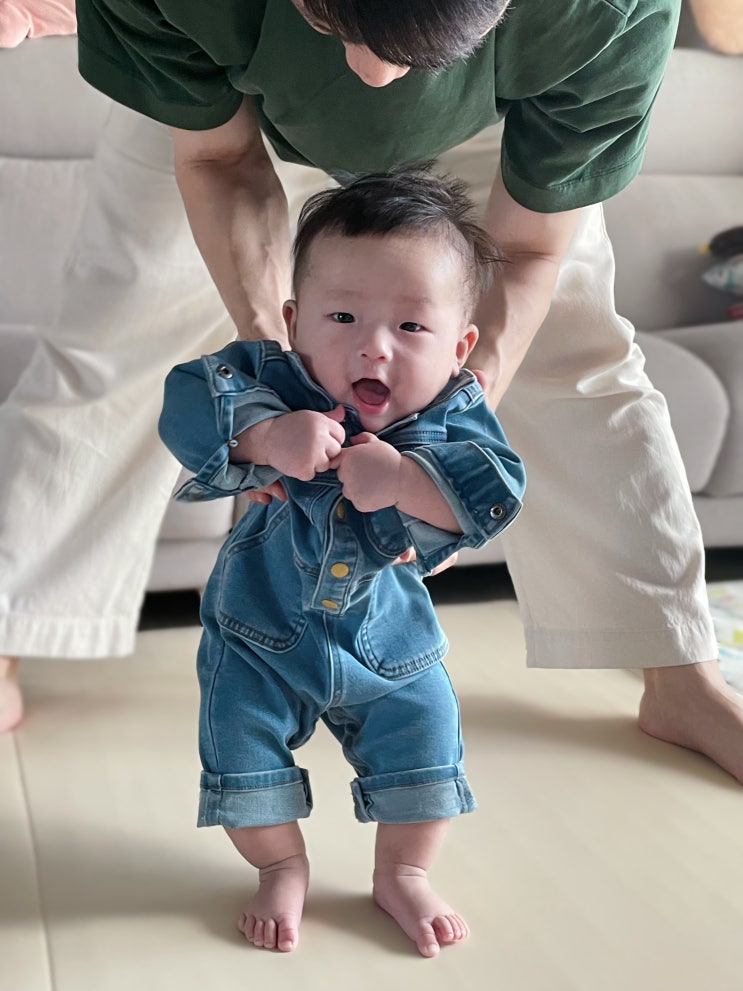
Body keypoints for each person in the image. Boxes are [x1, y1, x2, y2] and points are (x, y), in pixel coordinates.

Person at [1, 0, 741, 786]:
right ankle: (8, 630)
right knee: (117, 331)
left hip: (493, 126)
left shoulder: (607, 11)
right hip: (225, 109)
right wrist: (277, 373)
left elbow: (526, 248)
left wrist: (449, 429)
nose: (374, 75)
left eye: (408, 48)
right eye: (338, 28)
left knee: (577, 349)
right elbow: (219, 161)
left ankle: (679, 674)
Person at [158, 168, 526, 956]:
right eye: (343, 316)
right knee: (239, 755)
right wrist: (265, 436)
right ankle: (279, 865)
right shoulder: (272, 378)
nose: (373, 345)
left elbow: (498, 490)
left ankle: (403, 871)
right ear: (294, 322)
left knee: (428, 743)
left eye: (411, 326)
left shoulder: (452, 415)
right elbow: (187, 396)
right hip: (257, 635)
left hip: (391, 646)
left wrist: (406, 481)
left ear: (459, 347)